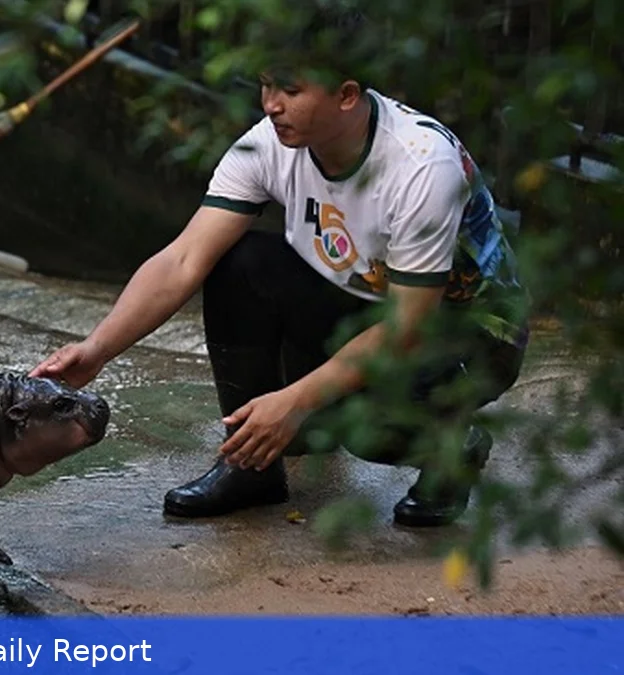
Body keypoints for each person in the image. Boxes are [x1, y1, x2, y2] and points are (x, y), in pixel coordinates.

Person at [29, 6, 530, 527]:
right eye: (266, 86)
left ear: (346, 95)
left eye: (290, 90)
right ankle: (251, 466)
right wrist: (97, 349)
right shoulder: (268, 144)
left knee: (353, 426)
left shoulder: (422, 166)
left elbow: (407, 327)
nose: (271, 106)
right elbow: (183, 259)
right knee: (240, 264)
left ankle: (452, 446)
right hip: (366, 304)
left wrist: (293, 401)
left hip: (468, 338)